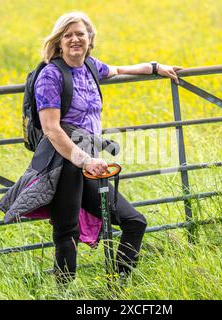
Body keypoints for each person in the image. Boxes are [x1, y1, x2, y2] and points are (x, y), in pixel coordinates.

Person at [35, 11, 182, 285]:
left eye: (80, 34)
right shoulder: (50, 76)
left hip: (89, 162)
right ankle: (63, 292)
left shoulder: (91, 67)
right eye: (68, 35)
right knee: (67, 235)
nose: (75, 39)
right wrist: (83, 160)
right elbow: (52, 129)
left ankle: (115, 289)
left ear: (90, 39)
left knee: (134, 222)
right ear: (58, 42)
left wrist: (154, 67)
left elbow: (119, 70)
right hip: (63, 163)